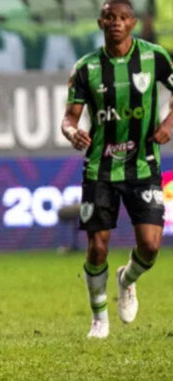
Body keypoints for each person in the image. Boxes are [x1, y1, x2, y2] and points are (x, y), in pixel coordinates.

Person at [62, 0, 173, 339]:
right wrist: (71, 132)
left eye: (123, 18)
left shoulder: (155, 57)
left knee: (151, 247)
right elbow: (69, 118)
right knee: (97, 247)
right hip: (100, 168)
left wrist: (169, 122)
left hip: (144, 164)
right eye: (110, 17)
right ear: (100, 22)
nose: (116, 23)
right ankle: (99, 319)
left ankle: (127, 279)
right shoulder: (86, 68)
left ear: (133, 23)